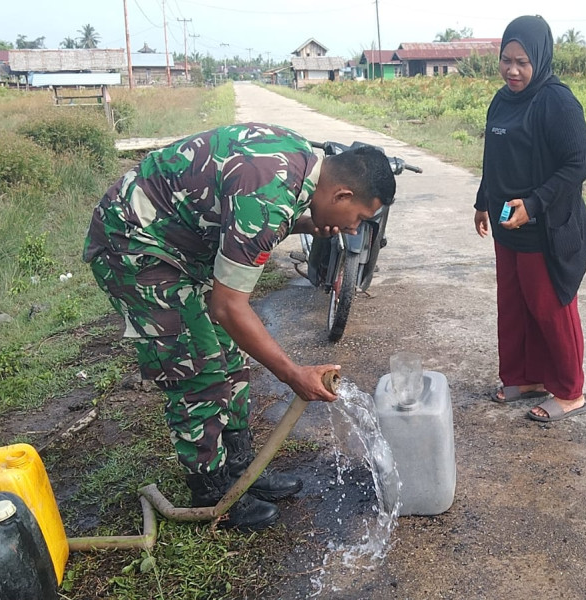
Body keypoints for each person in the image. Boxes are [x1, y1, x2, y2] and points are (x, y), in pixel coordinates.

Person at [83, 123, 396, 531]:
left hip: (174, 245)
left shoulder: (301, 162)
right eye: (357, 218)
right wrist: (293, 374)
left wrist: (304, 224)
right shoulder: (268, 195)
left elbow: (246, 214)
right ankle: (213, 496)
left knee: (232, 362)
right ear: (342, 195)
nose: (354, 229)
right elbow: (229, 306)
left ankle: (241, 471)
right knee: (198, 372)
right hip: (133, 246)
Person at [473, 15, 586, 422]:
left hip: (545, 224)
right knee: (513, 305)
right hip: (507, 222)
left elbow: (579, 163)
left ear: (539, 58)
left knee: (550, 306)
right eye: (506, 60)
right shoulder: (501, 99)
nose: (512, 69)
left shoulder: (556, 100)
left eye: (522, 61)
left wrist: (535, 204)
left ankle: (569, 390)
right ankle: (526, 377)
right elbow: (494, 158)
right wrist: (482, 201)